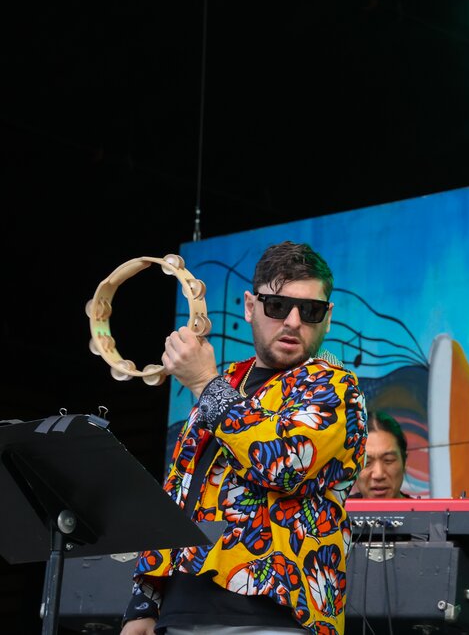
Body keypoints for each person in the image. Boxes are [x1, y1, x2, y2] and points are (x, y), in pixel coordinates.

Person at [121, 241, 367, 635]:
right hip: (180, 611)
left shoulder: (335, 387)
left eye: (310, 310)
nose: (291, 321)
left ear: (327, 318)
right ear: (250, 306)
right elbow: (182, 488)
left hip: (273, 614)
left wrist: (204, 383)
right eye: (276, 306)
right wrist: (143, 602)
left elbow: (283, 463)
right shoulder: (227, 382)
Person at [351, 411, 410, 499]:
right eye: (367, 462)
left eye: (388, 460)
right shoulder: (336, 512)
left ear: (405, 462)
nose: (378, 474)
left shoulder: (425, 513)